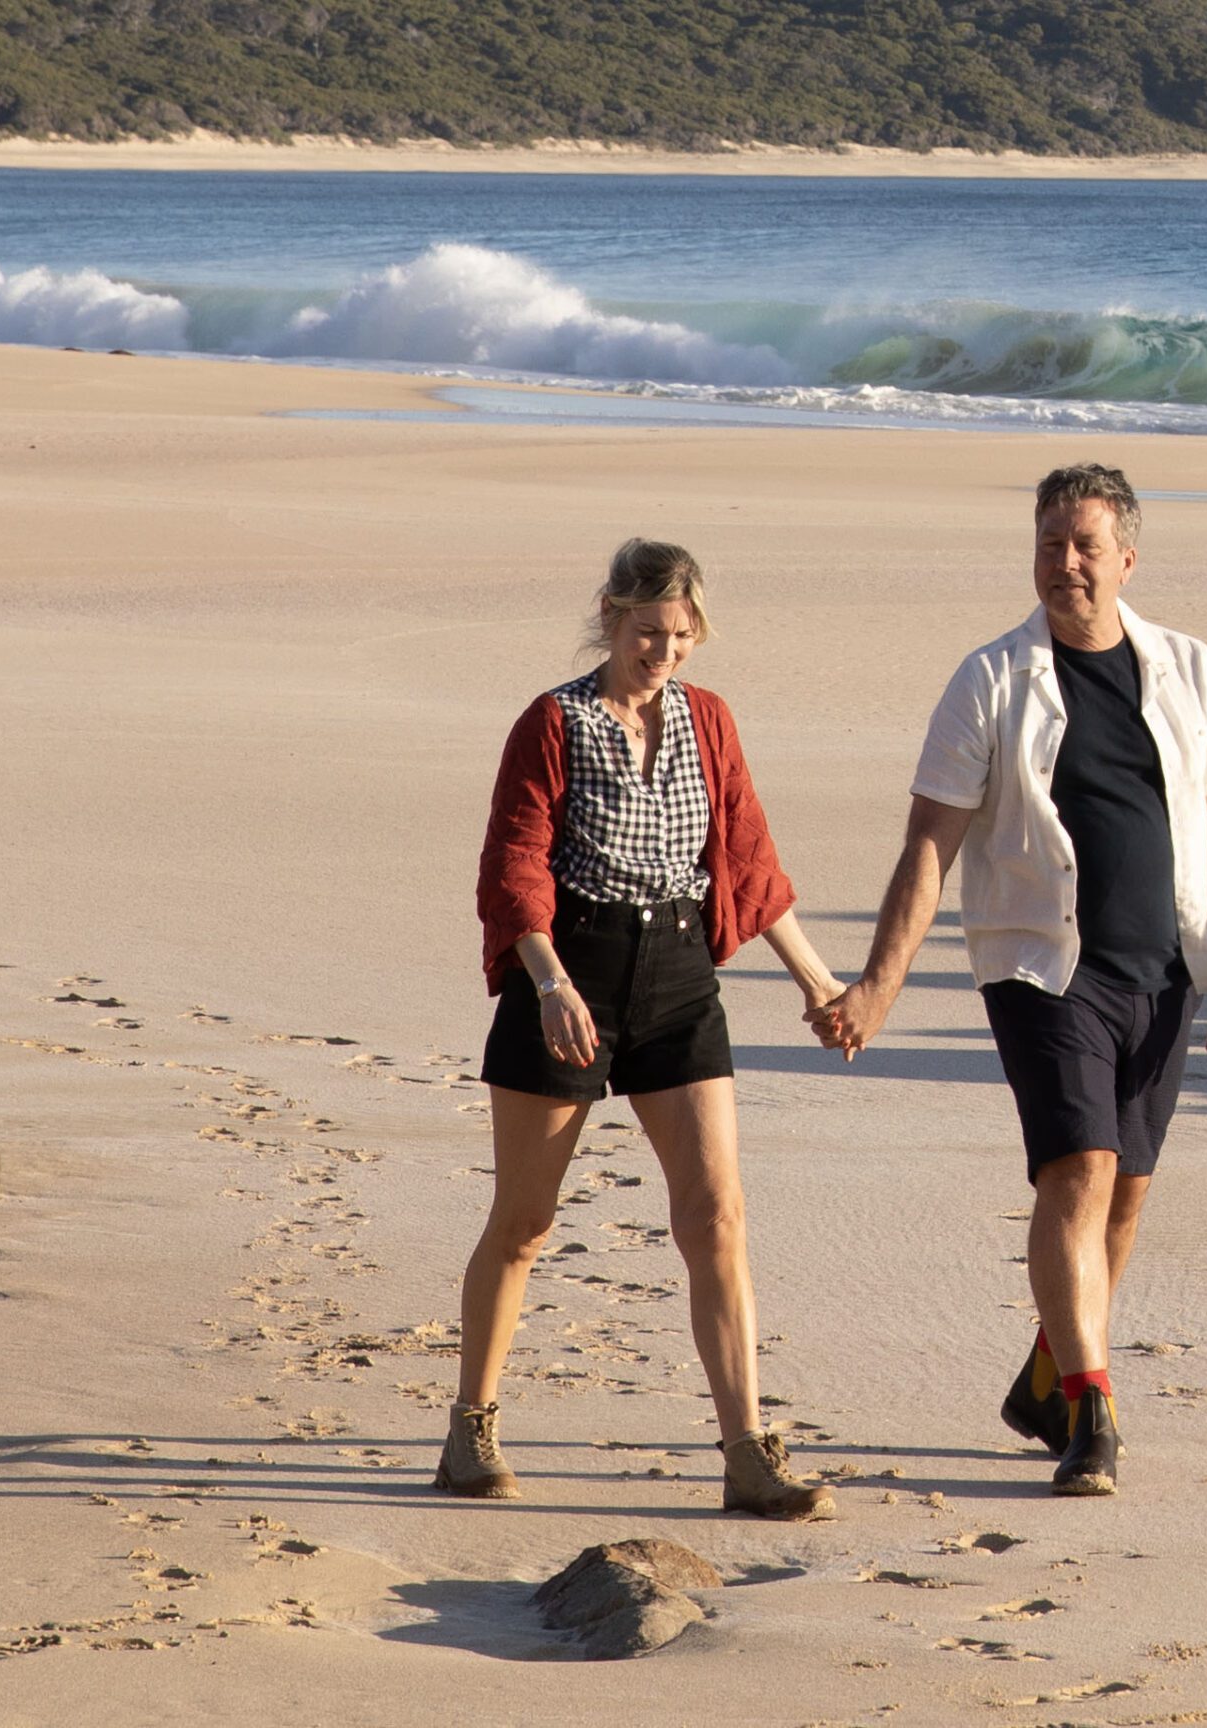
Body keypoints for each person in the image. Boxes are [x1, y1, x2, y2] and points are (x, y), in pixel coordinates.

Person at [811, 464, 1207, 1497]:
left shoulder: (1189, 668)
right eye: (1050, 542)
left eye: (1085, 545)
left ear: (1126, 560)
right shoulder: (989, 679)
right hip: (1038, 967)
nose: (1065, 563)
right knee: (1078, 1172)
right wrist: (879, 982)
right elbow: (929, 844)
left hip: (1164, 971)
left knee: (1127, 1199)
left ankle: (1042, 1375)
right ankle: (1090, 1415)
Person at [440, 538, 842, 1521]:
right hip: (568, 976)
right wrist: (547, 984)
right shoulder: (553, 721)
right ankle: (470, 1428)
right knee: (525, 1226)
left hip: (676, 980)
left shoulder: (708, 723)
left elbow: (747, 861)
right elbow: (515, 863)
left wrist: (823, 985)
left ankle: (747, 1451)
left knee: (716, 1217)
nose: (661, 651)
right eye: (645, 632)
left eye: (679, 634)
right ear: (610, 619)